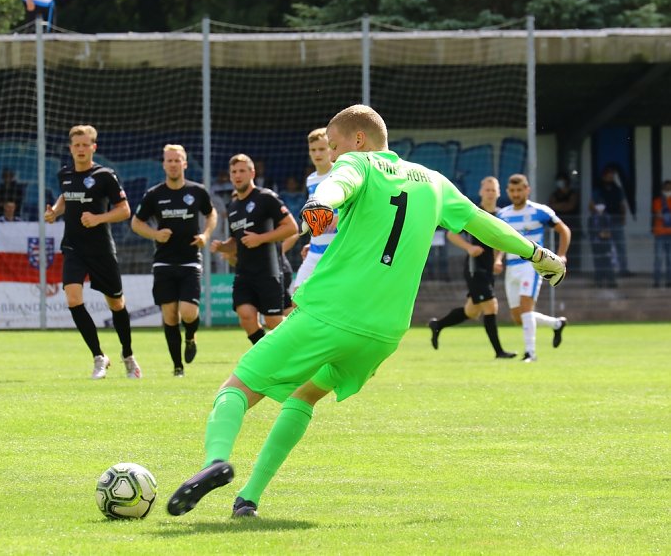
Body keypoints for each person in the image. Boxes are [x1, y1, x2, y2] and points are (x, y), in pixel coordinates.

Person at [166, 104, 566, 519]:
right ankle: (248, 499)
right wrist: (535, 252)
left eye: (335, 147)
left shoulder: (359, 163)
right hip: (384, 333)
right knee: (306, 395)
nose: (334, 156)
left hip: (331, 313)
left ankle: (215, 461)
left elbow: (337, 184)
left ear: (358, 140)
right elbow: (481, 222)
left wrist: (319, 205)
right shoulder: (433, 181)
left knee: (236, 388)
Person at [44, 124, 141, 380]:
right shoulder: (64, 174)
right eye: (76, 145)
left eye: (85, 145)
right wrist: (55, 211)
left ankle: (128, 355)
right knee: (73, 299)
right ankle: (99, 356)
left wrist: (98, 218)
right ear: (70, 148)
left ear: (93, 147)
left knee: (116, 304)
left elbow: (124, 210)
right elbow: (66, 197)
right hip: (73, 246)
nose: (80, 149)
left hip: (101, 249)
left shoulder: (105, 175)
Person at [131, 144, 217, 378]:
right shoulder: (154, 194)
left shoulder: (197, 191)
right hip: (164, 263)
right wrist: (155, 234)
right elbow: (136, 223)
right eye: (169, 160)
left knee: (188, 312)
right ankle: (177, 367)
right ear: (164, 164)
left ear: (184, 164)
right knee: (169, 315)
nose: (173, 164)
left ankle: (190, 336)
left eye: (177, 160)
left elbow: (211, 214)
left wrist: (205, 235)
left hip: (190, 262)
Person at [210, 154, 298, 345]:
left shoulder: (265, 197)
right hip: (244, 273)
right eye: (234, 172)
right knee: (246, 315)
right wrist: (223, 246)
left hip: (268, 270)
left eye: (242, 171)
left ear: (252, 173)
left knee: (273, 320)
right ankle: (267, 357)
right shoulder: (233, 207)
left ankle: (301, 346)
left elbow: (291, 228)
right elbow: (238, 241)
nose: (237, 175)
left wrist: (261, 239)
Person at [428, 176, 516, 359]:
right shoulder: (474, 213)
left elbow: (502, 242)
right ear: (480, 192)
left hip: (489, 269)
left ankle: (438, 325)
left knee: (472, 311)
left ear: (499, 193)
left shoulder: (501, 215)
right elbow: (451, 235)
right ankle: (499, 352)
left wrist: (498, 259)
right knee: (491, 306)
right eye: (487, 189)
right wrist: (469, 248)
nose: (490, 193)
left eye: (493, 190)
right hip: (474, 268)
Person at [495, 174, 571, 363]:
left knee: (526, 306)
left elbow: (564, 230)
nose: (516, 194)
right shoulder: (503, 214)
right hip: (511, 267)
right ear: (507, 192)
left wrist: (561, 255)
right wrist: (498, 258)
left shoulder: (540, 211)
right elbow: (500, 241)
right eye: (512, 191)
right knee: (518, 317)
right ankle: (556, 324)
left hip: (532, 265)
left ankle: (530, 354)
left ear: (527, 190)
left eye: (520, 190)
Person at [291, 127, 335, 292]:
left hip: (336, 252)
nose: (317, 154)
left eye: (322, 149)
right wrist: (311, 242)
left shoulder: (341, 173)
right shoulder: (310, 180)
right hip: (315, 250)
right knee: (297, 297)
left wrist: (339, 217)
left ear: (331, 149)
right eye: (313, 150)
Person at [589, 164, 633, 277]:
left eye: (612, 176)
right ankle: (606, 271)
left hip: (616, 219)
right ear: (604, 177)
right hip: (603, 222)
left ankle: (623, 269)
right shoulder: (598, 189)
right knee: (605, 247)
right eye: (608, 176)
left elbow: (622, 204)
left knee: (620, 245)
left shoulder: (617, 189)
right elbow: (591, 204)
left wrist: (623, 217)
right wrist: (598, 214)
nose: (610, 178)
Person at [548, 170, 581, 270]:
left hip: (572, 225)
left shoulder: (572, 193)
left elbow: (570, 206)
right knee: (557, 247)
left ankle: (573, 270)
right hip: (558, 225)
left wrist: (559, 206)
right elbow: (551, 206)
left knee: (573, 249)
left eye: (562, 180)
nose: (560, 182)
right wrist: (562, 205)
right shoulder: (555, 194)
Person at [587, 203, 616, 288]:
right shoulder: (592, 218)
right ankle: (598, 282)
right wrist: (599, 234)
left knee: (608, 262)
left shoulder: (607, 217)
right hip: (596, 243)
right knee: (598, 262)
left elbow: (610, 230)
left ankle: (611, 281)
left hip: (606, 243)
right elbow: (591, 230)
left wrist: (605, 234)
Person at [652, 179, 671, 288]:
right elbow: (659, 214)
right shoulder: (657, 201)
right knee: (658, 258)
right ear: (662, 189)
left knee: (670, 259)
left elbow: (664, 216)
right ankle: (657, 281)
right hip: (659, 233)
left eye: (670, 187)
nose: (668, 189)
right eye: (666, 187)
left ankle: (669, 281)